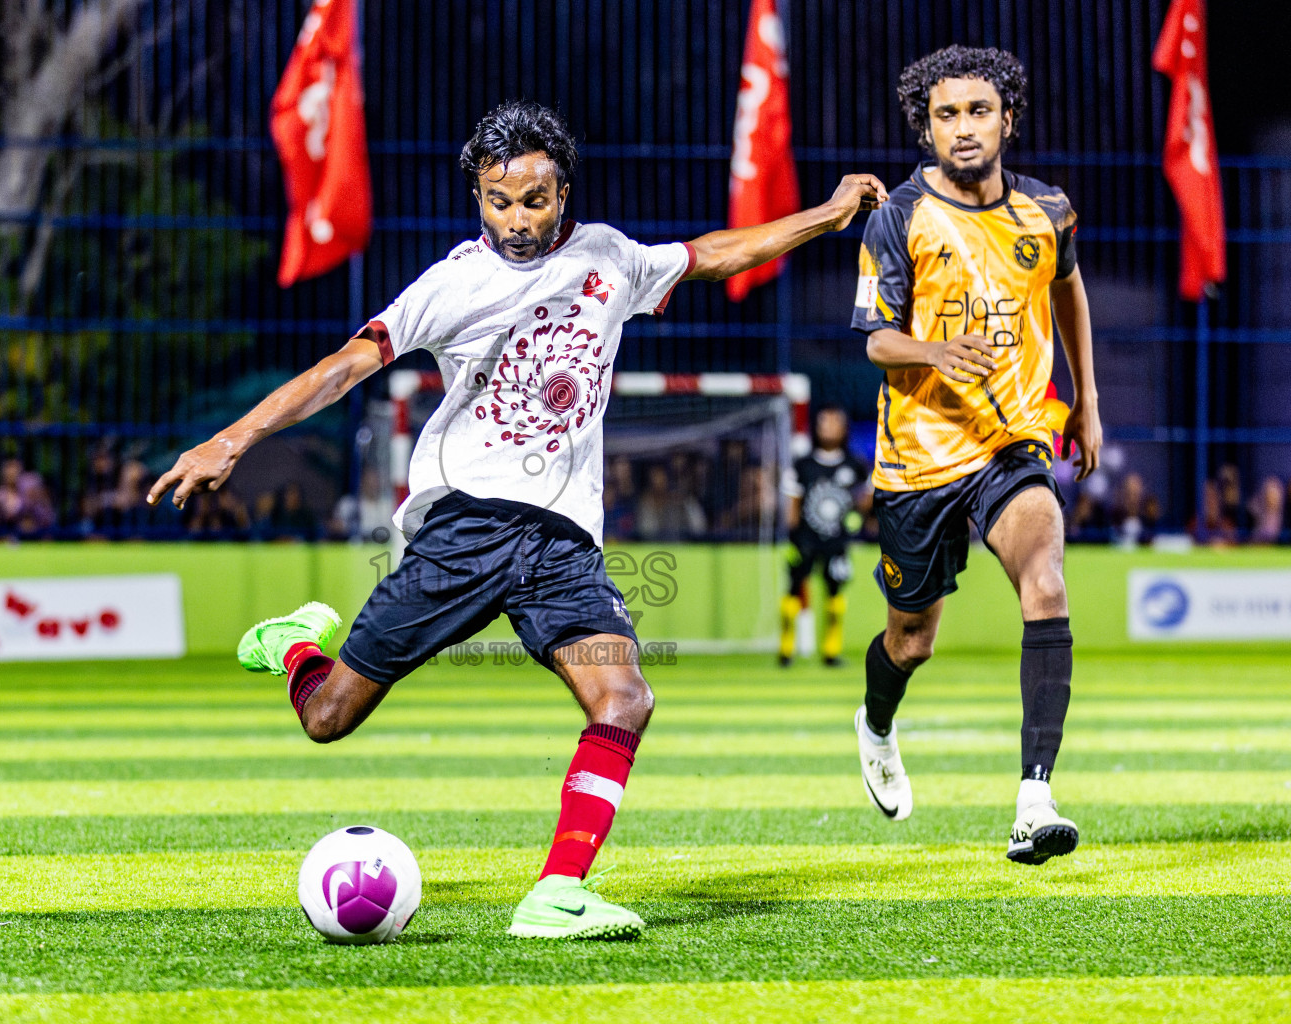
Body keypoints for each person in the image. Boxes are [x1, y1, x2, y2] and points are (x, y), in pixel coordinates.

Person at [147, 100, 885, 939]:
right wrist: (232, 439)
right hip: (466, 526)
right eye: (499, 200)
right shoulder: (454, 283)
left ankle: (557, 893)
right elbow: (341, 369)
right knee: (328, 719)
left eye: (535, 199)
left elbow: (714, 255)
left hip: (563, 543)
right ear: (477, 197)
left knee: (624, 696)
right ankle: (295, 645)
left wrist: (826, 218)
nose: (518, 219)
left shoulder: (609, 257)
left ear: (563, 192)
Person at [849, 47, 1102, 866]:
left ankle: (1036, 800)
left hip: (1013, 443)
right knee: (912, 639)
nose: (963, 128)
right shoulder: (896, 219)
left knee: (1047, 579)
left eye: (978, 111)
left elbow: (1068, 287)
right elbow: (876, 339)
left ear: (1008, 118)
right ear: (926, 127)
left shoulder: (1048, 212)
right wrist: (932, 349)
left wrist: (1087, 401)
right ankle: (877, 723)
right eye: (946, 115)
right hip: (918, 461)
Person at [778, 406, 869, 668]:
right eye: (824, 423)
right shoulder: (803, 465)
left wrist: (861, 512)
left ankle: (831, 651)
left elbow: (867, 499)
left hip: (837, 541)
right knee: (794, 589)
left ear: (844, 429)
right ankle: (786, 651)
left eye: (834, 423)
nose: (828, 428)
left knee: (835, 592)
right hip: (804, 539)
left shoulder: (854, 465)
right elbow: (793, 503)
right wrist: (791, 537)